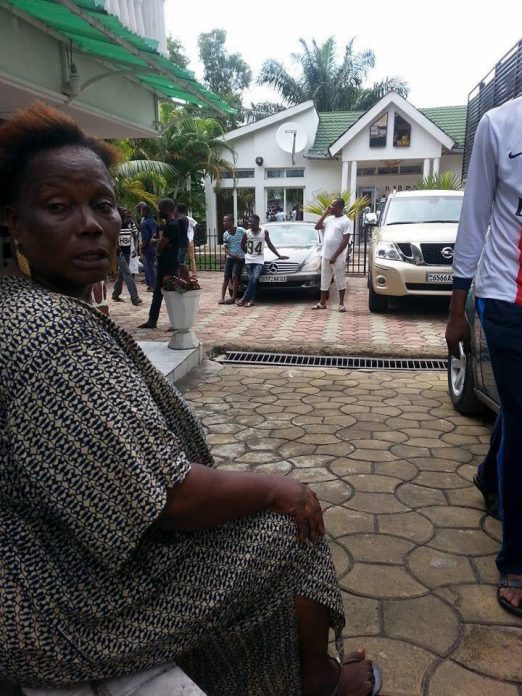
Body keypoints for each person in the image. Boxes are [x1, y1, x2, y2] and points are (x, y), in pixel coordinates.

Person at [0, 103, 381, 696]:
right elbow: (166, 499)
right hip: (65, 608)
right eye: (58, 207)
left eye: (102, 204)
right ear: (14, 223)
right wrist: (277, 487)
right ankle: (316, 679)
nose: (90, 224)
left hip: (57, 564)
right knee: (291, 524)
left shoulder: (31, 304)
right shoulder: (53, 337)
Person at [446, 95, 522, 618]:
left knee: (516, 413)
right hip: (505, 298)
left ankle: (490, 475)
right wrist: (457, 309)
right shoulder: (500, 126)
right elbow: (474, 219)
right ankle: (515, 560)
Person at [139, 198, 182, 330]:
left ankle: (177, 322)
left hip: (170, 265)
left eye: (161, 208)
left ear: (168, 209)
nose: (158, 211)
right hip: (165, 264)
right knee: (158, 293)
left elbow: (162, 244)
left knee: (173, 294)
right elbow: (162, 242)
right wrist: (159, 243)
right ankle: (152, 320)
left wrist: (158, 245)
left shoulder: (172, 225)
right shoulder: (169, 225)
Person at [238, 214, 289, 308]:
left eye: (251, 221)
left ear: (257, 222)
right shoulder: (247, 232)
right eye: (249, 221)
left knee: (254, 278)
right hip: (249, 260)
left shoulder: (264, 232)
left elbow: (269, 244)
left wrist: (279, 255)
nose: (249, 223)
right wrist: (246, 253)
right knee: (251, 279)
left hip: (259, 260)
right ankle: (252, 300)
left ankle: (244, 298)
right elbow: (242, 244)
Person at [313, 198, 352, 312]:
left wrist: (335, 256)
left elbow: (345, 240)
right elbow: (317, 226)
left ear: (340, 207)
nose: (330, 207)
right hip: (326, 254)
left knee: (340, 279)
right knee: (324, 279)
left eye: (333, 205)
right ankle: (322, 303)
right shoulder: (329, 219)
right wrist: (325, 213)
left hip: (338, 256)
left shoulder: (346, 221)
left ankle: (341, 304)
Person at [111, 206, 142, 306]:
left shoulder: (130, 223)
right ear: (118, 212)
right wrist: (116, 246)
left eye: (125, 210)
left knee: (122, 273)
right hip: (118, 252)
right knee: (127, 273)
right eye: (123, 211)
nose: (125, 212)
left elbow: (135, 236)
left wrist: (135, 249)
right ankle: (134, 297)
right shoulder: (115, 223)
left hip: (127, 251)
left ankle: (115, 294)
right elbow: (111, 236)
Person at [218, 214, 245, 305]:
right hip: (231, 258)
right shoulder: (225, 234)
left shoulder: (241, 230)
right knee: (226, 277)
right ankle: (222, 297)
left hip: (240, 258)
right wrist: (232, 255)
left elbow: (248, 237)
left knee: (234, 276)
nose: (224, 223)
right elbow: (226, 248)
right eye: (223, 221)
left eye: (225, 221)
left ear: (231, 221)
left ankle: (233, 298)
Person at [139, 204, 157, 292]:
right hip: (153, 246)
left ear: (145, 211)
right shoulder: (154, 221)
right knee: (150, 266)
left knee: (149, 267)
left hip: (147, 247)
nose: (140, 212)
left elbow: (145, 238)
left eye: (141, 211)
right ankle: (151, 284)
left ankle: (153, 285)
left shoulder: (144, 223)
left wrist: (142, 247)